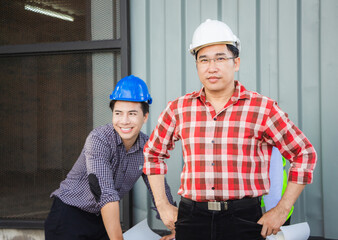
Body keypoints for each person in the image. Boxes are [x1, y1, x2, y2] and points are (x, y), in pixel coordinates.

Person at [143, 19, 317, 240]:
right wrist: (162, 205)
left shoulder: (262, 108)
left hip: (243, 219)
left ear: (236, 63)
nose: (211, 67)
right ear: (196, 64)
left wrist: (283, 209)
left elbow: (304, 153)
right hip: (192, 218)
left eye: (220, 58)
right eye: (203, 60)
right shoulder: (178, 108)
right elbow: (153, 154)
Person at [44, 75, 175, 240]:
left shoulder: (147, 146)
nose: (124, 121)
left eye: (132, 113)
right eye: (118, 113)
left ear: (145, 116)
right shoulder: (99, 139)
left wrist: (177, 230)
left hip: (101, 218)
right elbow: (104, 191)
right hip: (69, 216)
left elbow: (161, 192)